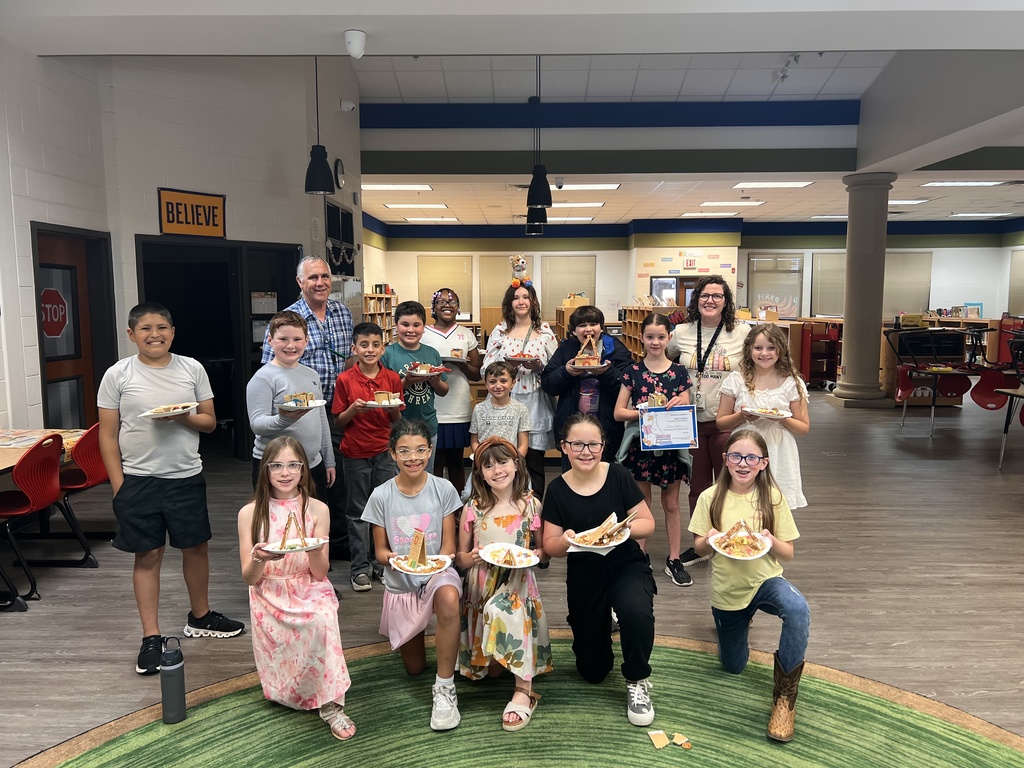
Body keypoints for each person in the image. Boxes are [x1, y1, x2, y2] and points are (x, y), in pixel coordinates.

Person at [97, 302, 244, 676]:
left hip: (185, 476)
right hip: (138, 481)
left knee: (195, 547)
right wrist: (119, 487)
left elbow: (209, 423)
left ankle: (201, 616)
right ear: (131, 335)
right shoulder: (117, 375)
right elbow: (108, 436)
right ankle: (151, 636)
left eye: (162, 327)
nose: (154, 334)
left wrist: (183, 416)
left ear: (173, 332)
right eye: (145, 328)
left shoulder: (191, 369)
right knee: (147, 556)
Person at [688, 429, 809, 743]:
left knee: (797, 609)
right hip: (728, 589)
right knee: (734, 666)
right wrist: (711, 540)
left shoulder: (773, 497)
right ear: (725, 459)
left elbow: (789, 552)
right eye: (736, 456)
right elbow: (699, 548)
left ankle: (785, 699)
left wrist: (771, 541)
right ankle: (738, 619)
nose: (743, 463)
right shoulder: (709, 497)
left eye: (752, 457)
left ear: (764, 463)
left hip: (765, 579)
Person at [541, 414, 658, 727]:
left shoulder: (618, 475)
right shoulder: (556, 490)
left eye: (593, 444)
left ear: (604, 446)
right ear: (564, 447)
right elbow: (549, 545)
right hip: (584, 570)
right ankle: (603, 620)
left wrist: (622, 531)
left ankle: (637, 679)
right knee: (593, 672)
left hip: (624, 562)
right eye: (577, 444)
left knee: (636, 611)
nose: (586, 451)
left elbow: (647, 523)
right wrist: (565, 541)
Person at [237, 437, 354, 740]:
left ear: (304, 470)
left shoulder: (317, 509)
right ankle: (293, 691)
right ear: (265, 470)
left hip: (307, 584)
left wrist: (314, 547)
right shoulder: (249, 513)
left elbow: (320, 572)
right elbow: (249, 578)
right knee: (287, 665)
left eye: (293, 465)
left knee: (323, 618)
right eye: (277, 465)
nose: (285, 472)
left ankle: (331, 703)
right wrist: (259, 559)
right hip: (269, 591)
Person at [362, 420, 464, 731]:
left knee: (449, 596)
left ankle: (445, 688)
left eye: (420, 450)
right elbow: (379, 551)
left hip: (436, 575)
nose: (413, 458)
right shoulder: (381, 495)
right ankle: (439, 653)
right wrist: (394, 559)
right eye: (404, 451)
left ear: (430, 450)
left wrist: (437, 563)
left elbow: (449, 547)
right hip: (402, 582)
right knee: (414, 668)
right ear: (392, 453)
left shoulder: (443, 488)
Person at [456, 437, 552, 731]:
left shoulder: (531, 505)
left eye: (502, 462)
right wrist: (469, 557)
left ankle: (524, 690)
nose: (496, 470)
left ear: (516, 464)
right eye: (488, 465)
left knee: (506, 608)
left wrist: (535, 554)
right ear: (480, 473)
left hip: (517, 579)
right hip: (481, 580)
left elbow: (542, 550)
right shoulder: (473, 508)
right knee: (493, 671)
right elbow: (460, 558)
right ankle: (493, 660)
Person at [261, 255, 353, 561]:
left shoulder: (342, 313)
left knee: (336, 478)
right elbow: (269, 370)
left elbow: (349, 360)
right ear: (300, 282)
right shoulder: (287, 319)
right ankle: (293, 544)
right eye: (312, 278)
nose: (320, 283)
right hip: (299, 417)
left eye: (325, 277)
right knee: (299, 479)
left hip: (338, 412)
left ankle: (333, 542)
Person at [666, 275, 750, 567]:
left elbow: (760, 364)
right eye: (705, 295)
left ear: (726, 301)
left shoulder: (741, 333)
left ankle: (734, 538)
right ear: (696, 299)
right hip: (691, 422)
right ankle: (702, 542)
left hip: (730, 422)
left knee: (734, 484)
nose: (710, 300)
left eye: (717, 296)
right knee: (699, 487)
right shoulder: (681, 332)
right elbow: (665, 362)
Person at [613, 313, 694, 587]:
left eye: (661, 337)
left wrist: (681, 402)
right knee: (641, 504)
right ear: (642, 338)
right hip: (642, 447)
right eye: (650, 337)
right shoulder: (633, 373)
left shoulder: (680, 372)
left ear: (669, 337)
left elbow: (686, 402)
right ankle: (639, 555)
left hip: (671, 447)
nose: (655, 342)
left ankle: (674, 558)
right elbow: (618, 412)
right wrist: (641, 412)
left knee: (672, 504)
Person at [332, 322, 404, 592]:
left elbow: (396, 419)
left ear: (382, 348)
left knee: (383, 510)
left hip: (384, 452)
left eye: (375, 345)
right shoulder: (345, 380)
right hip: (355, 453)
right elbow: (339, 422)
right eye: (364, 345)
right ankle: (359, 567)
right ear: (354, 348)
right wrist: (354, 409)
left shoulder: (392, 378)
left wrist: (394, 407)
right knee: (357, 512)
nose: (370, 349)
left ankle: (380, 562)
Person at [716, 324, 809, 509]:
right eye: (758, 348)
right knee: (744, 503)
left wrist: (782, 418)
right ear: (749, 349)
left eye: (771, 348)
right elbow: (720, 422)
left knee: (776, 505)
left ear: (780, 350)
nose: (764, 353)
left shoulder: (793, 382)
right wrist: (741, 416)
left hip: (779, 447)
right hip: (745, 445)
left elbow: (804, 427)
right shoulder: (736, 379)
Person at [481, 282, 558, 497]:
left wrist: (539, 367)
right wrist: (506, 368)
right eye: (516, 297)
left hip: (535, 402)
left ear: (533, 301)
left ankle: (535, 512)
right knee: (503, 460)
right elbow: (485, 368)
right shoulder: (500, 330)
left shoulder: (544, 332)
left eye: (526, 297)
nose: (521, 301)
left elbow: (556, 368)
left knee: (533, 463)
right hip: (505, 403)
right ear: (510, 302)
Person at [246, 311, 335, 495]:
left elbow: (321, 420)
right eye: (283, 339)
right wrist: (284, 419)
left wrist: (329, 460)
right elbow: (257, 425)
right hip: (275, 467)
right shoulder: (263, 378)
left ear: (306, 341)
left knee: (313, 518)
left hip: (312, 463)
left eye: (297, 339)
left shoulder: (312, 375)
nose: (290, 345)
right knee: (276, 520)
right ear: (270, 340)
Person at [542, 305, 633, 470]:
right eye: (582, 325)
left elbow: (628, 384)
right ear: (574, 331)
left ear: (601, 328)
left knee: (604, 476)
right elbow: (548, 384)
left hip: (606, 427)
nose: (588, 329)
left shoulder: (614, 348)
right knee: (572, 476)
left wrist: (607, 372)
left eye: (593, 324)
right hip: (572, 426)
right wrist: (566, 371)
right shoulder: (567, 348)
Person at [421, 288, 482, 493]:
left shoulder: (466, 334)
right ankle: (437, 506)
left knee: (457, 461)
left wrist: (462, 364)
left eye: (452, 301)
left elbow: (476, 374)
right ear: (433, 308)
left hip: (458, 407)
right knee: (434, 462)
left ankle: (458, 509)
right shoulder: (423, 333)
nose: (447, 305)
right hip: (431, 407)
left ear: (458, 307)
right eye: (441, 302)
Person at [381, 301, 450, 474]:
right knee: (399, 476)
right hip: (398, 426)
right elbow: (383, 395)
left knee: (426, 473)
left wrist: (434, 380)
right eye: (405, 325)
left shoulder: (431, 353)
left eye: (416, 325)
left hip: (428, 426)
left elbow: (443, 390)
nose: (410, 330)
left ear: (423, 327)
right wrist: (407, 382)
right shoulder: (387, 354)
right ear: (396, 326)